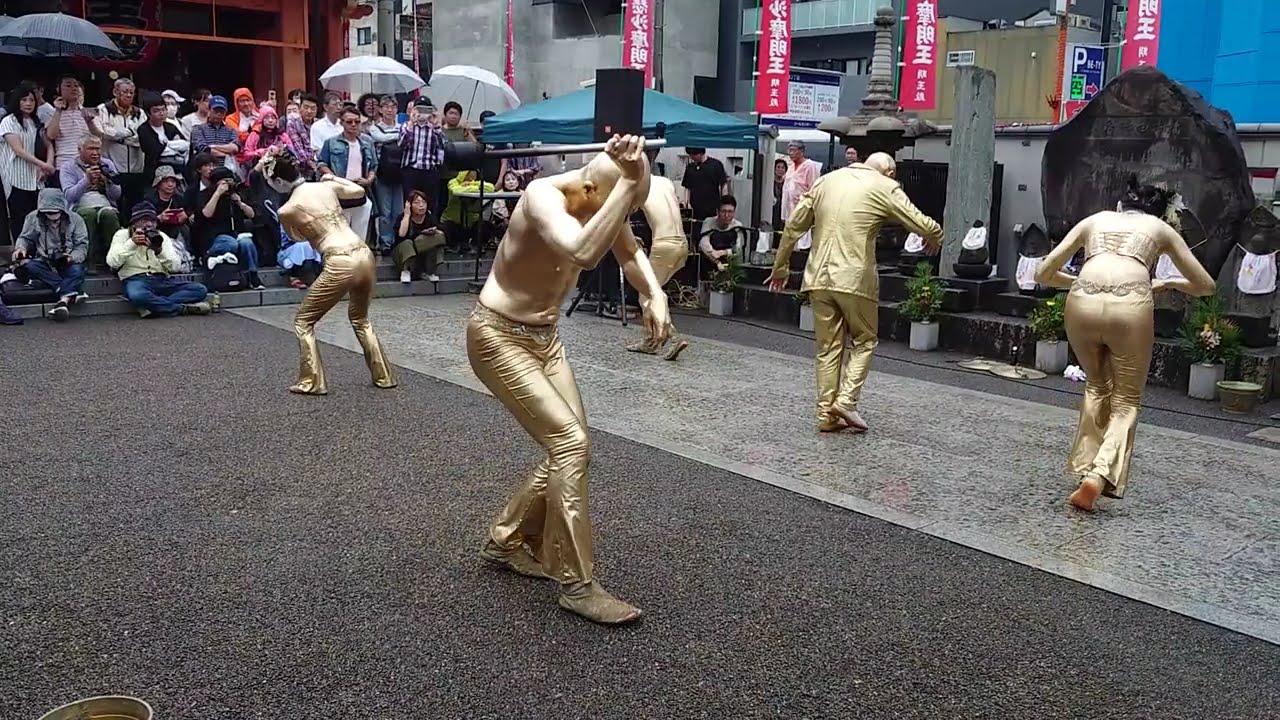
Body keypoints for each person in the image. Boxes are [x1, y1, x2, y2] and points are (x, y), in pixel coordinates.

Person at [469, 134, 667, 625]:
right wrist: (630, 184)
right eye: (616, 202)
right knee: (571, 445)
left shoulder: (599, 198)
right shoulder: (542, 197)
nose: (621, 216)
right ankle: (578, 585)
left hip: (545, 339)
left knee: (571, 447)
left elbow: (628, 252)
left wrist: (653, 294)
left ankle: (506, 538)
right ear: (589, 189)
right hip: (497, 336)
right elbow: (581, 251)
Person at [1035, 177, 1216, 512]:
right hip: (1130, 303)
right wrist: (1169, 282)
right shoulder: (1160, 229)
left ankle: (1085, 467)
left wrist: (1079, 283)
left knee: (1097, 385)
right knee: (1126, 401)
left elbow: (1043, 273)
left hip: (1081, 300)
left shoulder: (1094, 220)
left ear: (1121, 206)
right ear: (1161, 214)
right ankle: (1098, 475)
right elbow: (1205, 285)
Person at [768, 152, 942, 434]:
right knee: (865, 340)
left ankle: (826, 414)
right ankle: (847, 400)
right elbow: (920, 222)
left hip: (818, 277)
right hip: (854, 277)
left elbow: (793, 226)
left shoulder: (826, 181)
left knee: (828, 348)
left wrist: (781, 267)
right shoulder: (885, 186)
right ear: (890, 171)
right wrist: (935, 236)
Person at [263, 151, 396, 395]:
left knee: (304, 322)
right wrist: (333, 179)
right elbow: (359, 193)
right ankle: (383, 375)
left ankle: (312, 381)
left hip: (338, 258)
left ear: (279, 182)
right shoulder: (325, 187)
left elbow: (297, 236)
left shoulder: (287, 209)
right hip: (363, 252)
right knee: (361, 318)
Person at [626, 173, 691, 360]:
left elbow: (622, 215)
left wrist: (629, 239)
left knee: (646, 294)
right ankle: (655, 337)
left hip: (664, 245)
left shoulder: (639, 183)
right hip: (683, 244)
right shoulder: (665, 182)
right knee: (656, 290)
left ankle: (668, 337)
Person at [108, 201, 211, 318]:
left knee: (199, 289)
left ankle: (153, 306)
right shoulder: (122, 235)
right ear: (134, 223)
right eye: (143, 221)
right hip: (136, 279)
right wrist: (132, 243)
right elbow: (112, 262)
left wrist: (159, 251)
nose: (148, 225)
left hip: (162, 279)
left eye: (152, 221)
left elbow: (175, 267)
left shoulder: (161, 236)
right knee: (138, 295)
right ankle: (183, 309)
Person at [12, 188, 89, 321]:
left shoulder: (76, 219)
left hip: (67, 260)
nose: (51, 215)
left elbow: (82, 245)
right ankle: (71, 294)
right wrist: (20, 248)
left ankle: (63, 301)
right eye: (47, 213)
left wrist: (71, 257)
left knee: (77, 269)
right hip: (43, 260)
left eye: (54, 212)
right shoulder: (32, 217)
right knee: (29, 265)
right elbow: (25, 238)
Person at [60, 136, 122, 271]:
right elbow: (69, 195)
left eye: (98, 149)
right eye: (91, 149)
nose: (95, 153)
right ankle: (88, 261)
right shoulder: (68, 167)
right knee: (89, 214)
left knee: (109, 215)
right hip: (79, 205)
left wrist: (107, 182)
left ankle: (114, 261)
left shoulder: (107, 164)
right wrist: (86, 180)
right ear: (79, 150)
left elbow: (117, 195)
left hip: (105, 203)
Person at [2, 82, 54, 244]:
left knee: (37, 218)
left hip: (37, 180)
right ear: (17, 101)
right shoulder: (9, 121)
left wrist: (48, 164)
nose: (28, 104)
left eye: (31, 100)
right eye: (24, 100)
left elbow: (49, 144)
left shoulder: (36, 122)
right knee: (20, 218)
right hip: (16, 177)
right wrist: (42, 164)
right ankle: (20, 255)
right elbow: (18, 150)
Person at [197, 166, 264, 288]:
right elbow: (206, 214)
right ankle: (208, 257)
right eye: (224, 182)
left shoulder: (236, 195)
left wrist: (240, 203)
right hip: (215, 237)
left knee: (247, 243)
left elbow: (252, 215)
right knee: (230, 243)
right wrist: (218, 193)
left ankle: (253, 275)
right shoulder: (205, 195)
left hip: (237, 234)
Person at [316, 107, 376, 240]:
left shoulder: (367, 142)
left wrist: (369, 180)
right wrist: (334, 178)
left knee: (360, 235)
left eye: (357, 121)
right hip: (339, 192)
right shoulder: (331, 142)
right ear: (341, 123)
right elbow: (321, 164)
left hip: (361, 190)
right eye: (349, 122)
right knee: (340, 234)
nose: (354, 125)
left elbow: (373, 165)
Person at [95, 78, 147, 216]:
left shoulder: (140, 112)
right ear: (115, 92)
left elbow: (143, 135)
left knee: (134, 205)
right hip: (114, 166)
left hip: (136, 167)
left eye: (131, 92)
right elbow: (103, 131)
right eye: (125, 92)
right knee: (116, 205)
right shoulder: (103, 109)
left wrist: (126, 139)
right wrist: (124, 133)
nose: (129, 95)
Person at [398, 97, 447, 221]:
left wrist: (436, 125)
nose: (422, 113)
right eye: (419, 109)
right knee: (409, 203)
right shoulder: (406, 126)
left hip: (429, 171)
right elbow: (401, 144)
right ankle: (409, 232)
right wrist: (411, 122)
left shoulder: (433, 128)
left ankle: (429, 230)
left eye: (425, 109)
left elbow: (442, 146)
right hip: (410, 170)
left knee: (430, 203)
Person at [45, 75, 104, 172]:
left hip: (87, 163)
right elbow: (51, 136)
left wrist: (90, 122)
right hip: (64, 163)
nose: (74, 88)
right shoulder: (52, 112)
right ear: (59, 89)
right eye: (68, 86)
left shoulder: (89, 111)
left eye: (76, 86)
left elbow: (99, 136)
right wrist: (58, 111)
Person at [368, 96, 404, 254]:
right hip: (383, 173)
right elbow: (380, 138)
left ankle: (398, 240)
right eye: (386, 107)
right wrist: (402, 135)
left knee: (399, 209)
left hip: (400, 172)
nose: (390, 110)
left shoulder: (402, 126)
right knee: (385, 211)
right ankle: (385, 242)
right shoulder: (375, 128)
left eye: (393, 107)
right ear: (380, 109)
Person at [143, 165, 193, 271]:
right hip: (157, 231)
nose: (170, 184)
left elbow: (189, 211)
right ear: (159, 183)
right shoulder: (149, 199)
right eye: (166, 181)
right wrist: (159, 218)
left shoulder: (179, 198)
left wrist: (186, 216)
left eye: (173, 181)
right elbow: (143, 220)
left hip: (176, 230)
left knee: (185, 229)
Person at [394, 190, 445, 283]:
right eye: (417, 203)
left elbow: (440, 232)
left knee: (433, 243)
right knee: (407, 243)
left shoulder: (429, 217)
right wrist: (407, 215)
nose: (421, 205)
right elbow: (401, 235)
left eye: (423, 202)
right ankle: (406, 271)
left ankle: (430, 272)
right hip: (403, 251)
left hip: (421, 249)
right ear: (409, 205)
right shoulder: (403, 217)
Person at [137, 92, 190, 181]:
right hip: (155, 176)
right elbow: (154, 151)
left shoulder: (171, 127)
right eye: (156, 111)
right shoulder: (144, 129)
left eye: (163, 109)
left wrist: (166, 144)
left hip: (177, 173)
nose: (161, 113)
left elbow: (185, 146)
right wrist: (174, 147)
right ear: (148, 113)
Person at [781, 141, 822, 251]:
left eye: (793, 150)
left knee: (803, 237)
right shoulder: (790, 166)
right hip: (789, 209)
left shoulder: (810, 166)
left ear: (801, 151)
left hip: (802, 208)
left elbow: (813, 188)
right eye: (789, 150)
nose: (790, 153)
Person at [441, 170, 494, 253]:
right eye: (469, 177)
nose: (471, 179)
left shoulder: (477, 183)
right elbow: (457, 190)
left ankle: (476, 246)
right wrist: (473, 188)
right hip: (454, 220)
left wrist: (472, 184)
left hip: (472, 222)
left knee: (486, 226)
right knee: (447, 228)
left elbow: (490, 188)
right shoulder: (453, 182)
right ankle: (454, 246)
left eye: (473, 177)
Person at [680, 147, 727, 224]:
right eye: (690, 155)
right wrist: (687, 202)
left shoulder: (716, 165)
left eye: (694, 155)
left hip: (711, 207)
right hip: (694, 208)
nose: (692, 157)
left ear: (701, 153)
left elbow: (723, 185)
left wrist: (724, 204)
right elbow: (687, 187)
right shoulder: (690, 167)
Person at [697, 194, 745, 270]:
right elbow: (704, 245)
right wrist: (717, 262)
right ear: (717, 211)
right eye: (723, 211)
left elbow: (738, 249)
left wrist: (721, 252)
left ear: (734, 212)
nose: (726, 215)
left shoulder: (737, 226)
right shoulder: (708, 222)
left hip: (731, 266)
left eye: (730, 212)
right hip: (710, 265)